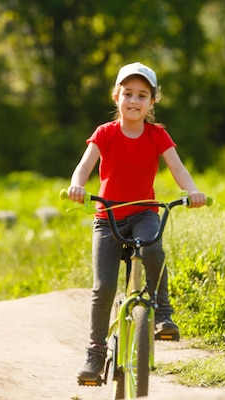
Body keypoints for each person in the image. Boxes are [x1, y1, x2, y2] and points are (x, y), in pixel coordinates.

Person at [66, 62, 207, 383]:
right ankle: (95, 352)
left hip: (144, 212)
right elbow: (83, 166)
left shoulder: (158, 135)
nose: (134, 100)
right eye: (127, 93)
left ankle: (162, 310)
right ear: (116, 96)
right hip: (107, 217)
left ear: (152, 101)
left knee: (153, 246)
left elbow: (178, 168)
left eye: (142, 95)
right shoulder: (106, 133)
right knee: (103, 288)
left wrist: (193, 190)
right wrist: (77, 185)